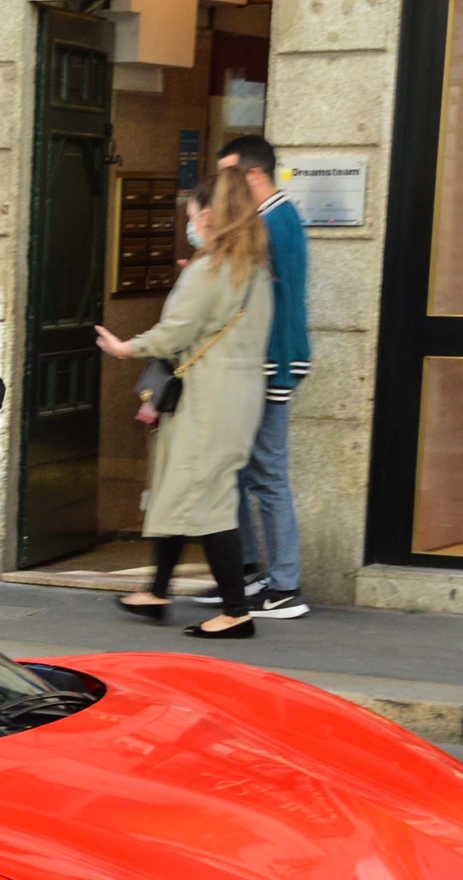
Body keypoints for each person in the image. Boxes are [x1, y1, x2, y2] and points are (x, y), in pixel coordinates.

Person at [94, 167, 273, 639]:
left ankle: (235, 612)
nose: (190, 227)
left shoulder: (208, 271)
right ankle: (156, 590)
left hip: (208, 401)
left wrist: (123, 347)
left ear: (210, 217)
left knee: (207, 496)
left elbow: (174, 333)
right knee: (186, 485)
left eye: (192, 217)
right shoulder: (255, 272)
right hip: (239, 396)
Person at [204, 134, 312, 620]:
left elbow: (274, 305)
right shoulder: (273, 219)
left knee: (267, 474)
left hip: (271, 364)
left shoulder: (274, 222)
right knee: (245, 472)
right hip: (268, 363)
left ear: (252, 176)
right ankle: (248, 570)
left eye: (229, 177)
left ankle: (284, 583)